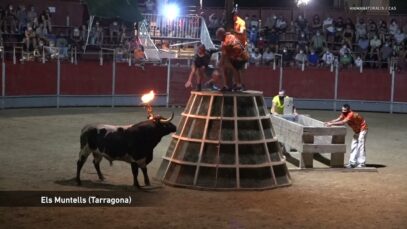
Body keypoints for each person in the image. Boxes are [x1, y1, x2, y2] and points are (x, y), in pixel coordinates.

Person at [325, 104, 368, 168]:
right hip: (357, 131)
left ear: (349, 110)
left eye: (345, 110)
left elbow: (342, 122)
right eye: (342, 110)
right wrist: (329, 122)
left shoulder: (351, 114)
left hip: (363, 129)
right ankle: (352, 163)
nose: (343, 112)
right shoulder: (344, 114)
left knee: (360, 145)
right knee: (353, 145)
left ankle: (361, 163)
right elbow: (338, 119)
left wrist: (331, 124)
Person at [216, 27, 249, 91]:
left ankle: (233, 85)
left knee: (228, 66)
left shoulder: (226, 41)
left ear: (221, 34)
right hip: (242, 56)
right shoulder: (230, 36)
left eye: (218, 36)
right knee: (231, 67)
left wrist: (219, 65)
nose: (217, 38)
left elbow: (224, 55)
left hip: (239, 57)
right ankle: (238, 85)